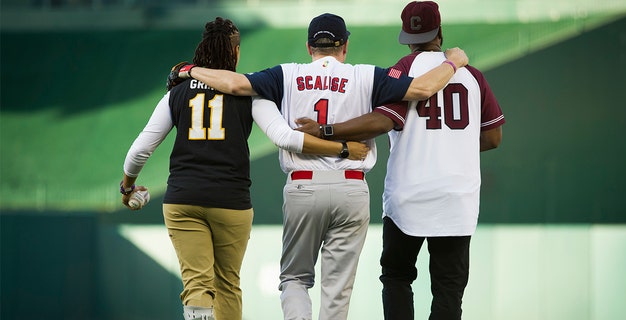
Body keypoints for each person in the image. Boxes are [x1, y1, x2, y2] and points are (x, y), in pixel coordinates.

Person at [168, 12, 468, 320]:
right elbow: (421, 89)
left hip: (303, 184)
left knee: (295, 279)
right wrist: (453, 62)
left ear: (310, 47)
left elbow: (232, 84)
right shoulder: (366, 74)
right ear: (345, 47)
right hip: (352, 186)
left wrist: (190, 70)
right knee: (337, 290)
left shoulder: (286, 73)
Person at [121, 17, 369, 320]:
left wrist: (128, 186)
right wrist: (342, 148)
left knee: (197, 283)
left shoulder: (177, 93)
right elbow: (285, 138)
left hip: (184, 198)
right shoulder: (249, 93)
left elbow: (140, 150)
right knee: (227, 284)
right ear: (235, 53)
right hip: (231, 201)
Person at [294, 2, 505, 319]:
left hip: (409, 194)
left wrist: (328, 131)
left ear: (407, 37)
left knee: (397, 277)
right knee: (448, 289)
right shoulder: (472, 76)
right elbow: (492, 137)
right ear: (440, 32)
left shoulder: (403, 69)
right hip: (457, 197)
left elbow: (382, 121)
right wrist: (451, 145)